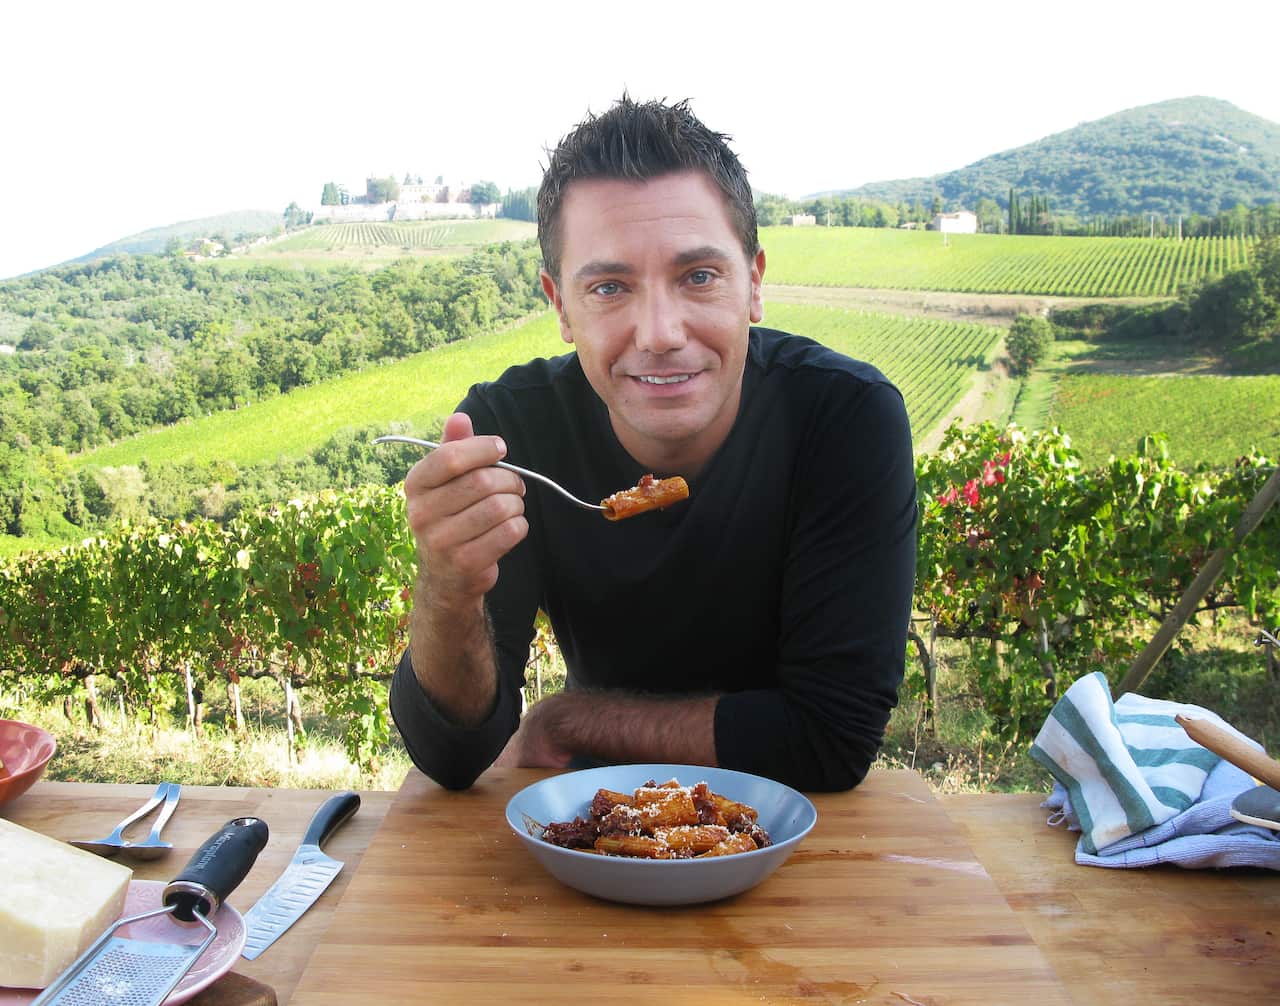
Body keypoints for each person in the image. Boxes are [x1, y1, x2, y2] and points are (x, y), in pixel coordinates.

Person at [389, 96, 917, 793]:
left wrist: (574, 720)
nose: (660, 332)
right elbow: (454, 755)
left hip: (802, 835)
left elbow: (831, 739)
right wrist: (448, 588)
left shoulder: (845, 419)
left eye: (698, 277)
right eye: (610, 287)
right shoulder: (511, 432)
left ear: (753, 284)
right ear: (561, 307)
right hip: (589, 827)